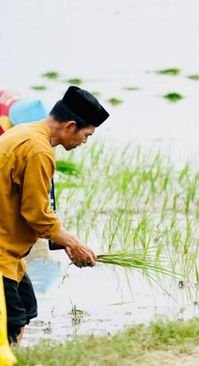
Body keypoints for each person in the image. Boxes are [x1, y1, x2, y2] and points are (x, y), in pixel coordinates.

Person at [0, 86, 108, 344]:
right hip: (2, 250)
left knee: (24, 308)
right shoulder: (39, 151)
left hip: (11, 249)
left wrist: (63, 242)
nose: (85, 141)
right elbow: (36, 215)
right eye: (87, 135)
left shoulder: (23, 132)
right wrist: (74, 243)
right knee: (11, 322)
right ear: (70, 126)